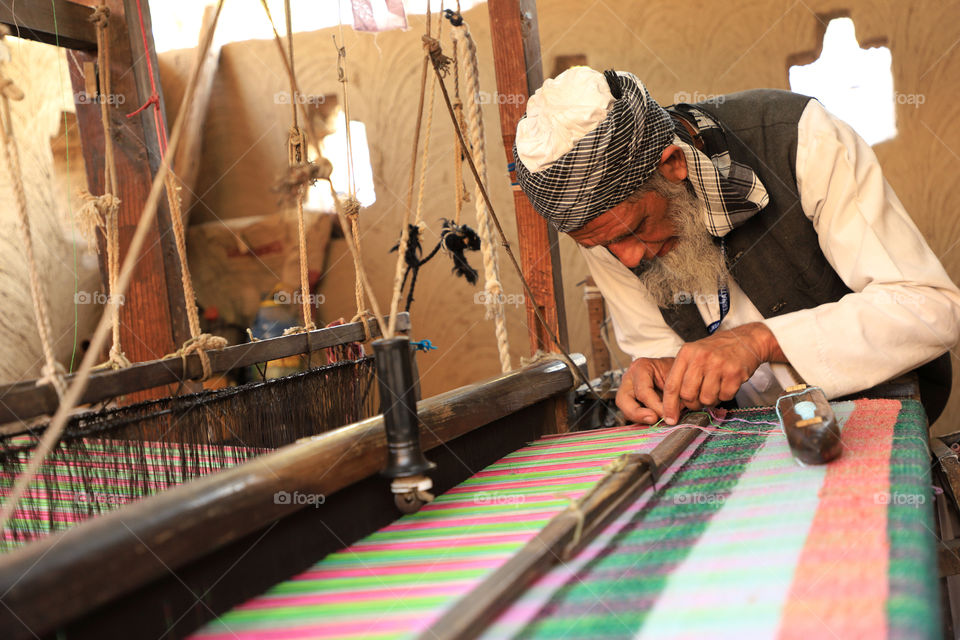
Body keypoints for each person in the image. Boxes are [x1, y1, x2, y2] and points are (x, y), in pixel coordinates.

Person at [513, 66, 960, 425]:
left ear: (672, 165)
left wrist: (761, 340)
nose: (629, 259)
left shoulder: (799, 137)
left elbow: (930, 309)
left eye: (634, 229)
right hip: (741, 439)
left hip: (869, 417)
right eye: (603, 245)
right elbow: (656, 346)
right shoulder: (609, 231)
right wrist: (658, 373)